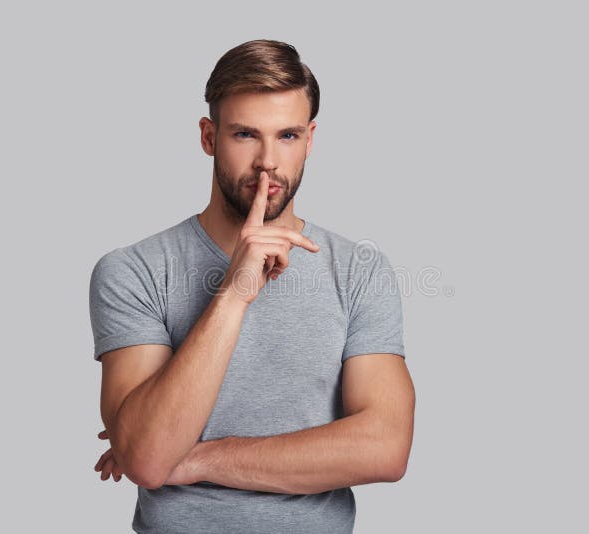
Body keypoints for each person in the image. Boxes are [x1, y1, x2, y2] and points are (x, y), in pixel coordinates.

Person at [88, 38, 415, 534]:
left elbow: (386, 448)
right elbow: (151, 461)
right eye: (245, 134)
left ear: (310, 139)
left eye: (286, 136)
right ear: (208, 137)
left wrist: (195, 460)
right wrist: (235, 291)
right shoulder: (134, 270)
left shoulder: (358, 270)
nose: (268, 161)